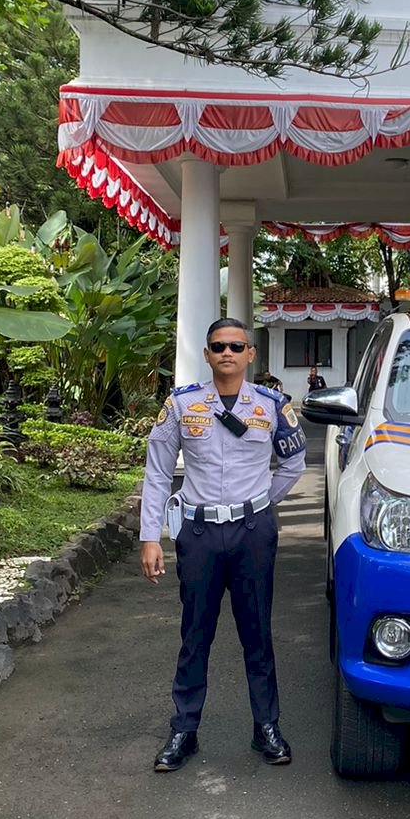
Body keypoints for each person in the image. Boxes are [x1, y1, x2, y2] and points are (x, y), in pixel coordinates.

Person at [140, 317, 307, 773]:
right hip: (198, 535)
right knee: (195, 635)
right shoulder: (182, 404)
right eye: (218, 346)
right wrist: (149, 537)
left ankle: (266, 727)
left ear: (250, 354)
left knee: (257, 633)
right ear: (207, 354)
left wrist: (257, 504)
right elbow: (157, 472)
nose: (227, 353)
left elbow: (294, 463)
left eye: (236, 346)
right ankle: (183, 729)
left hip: (252, 533)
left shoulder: (271, 406)